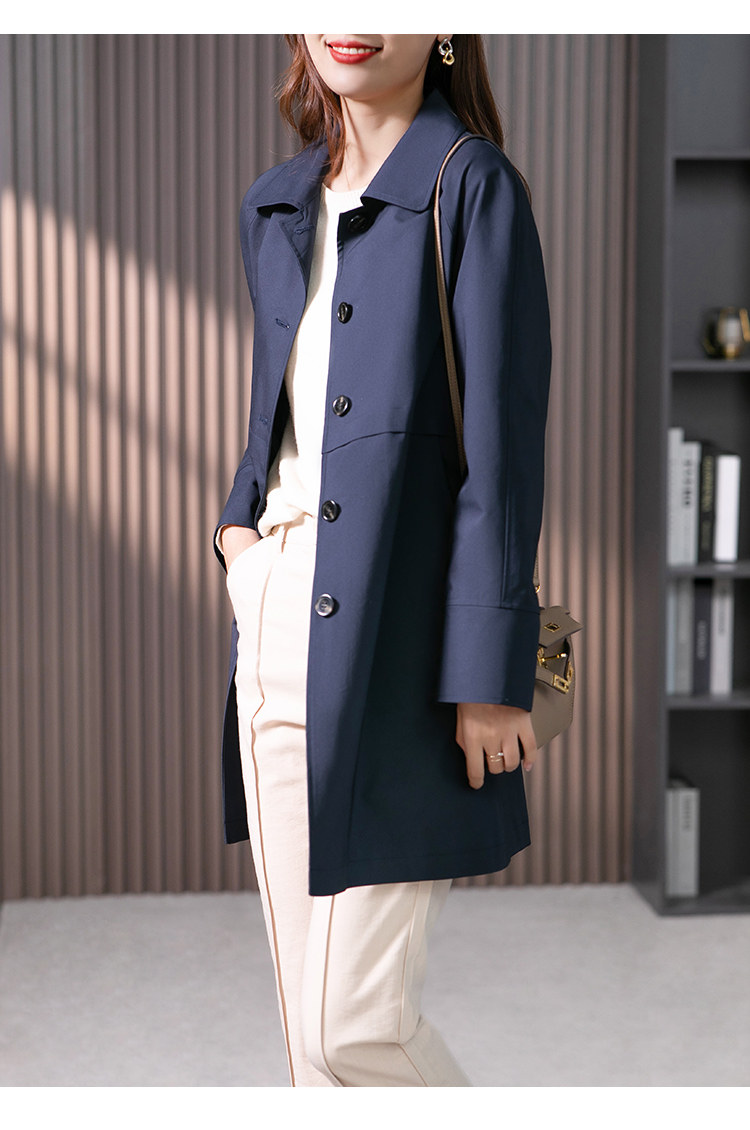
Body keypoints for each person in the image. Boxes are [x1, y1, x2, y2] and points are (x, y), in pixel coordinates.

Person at [214, 33, 551, 1087]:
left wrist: (487, 676)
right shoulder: (276, 205)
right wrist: (235, 536)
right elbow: (280, 413)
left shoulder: (472, 188)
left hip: (398, 639)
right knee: (304, 1042)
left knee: (350, 1026)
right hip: (273, 614)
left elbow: (504, 451)